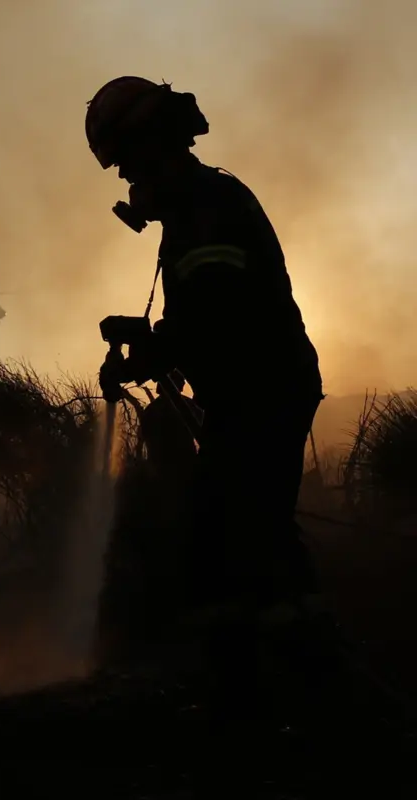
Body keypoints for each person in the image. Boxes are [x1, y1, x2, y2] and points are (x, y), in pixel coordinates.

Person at [84, 77, 333, 737]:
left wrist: (147, 356)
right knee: (255, 532)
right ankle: (297, 687)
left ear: (152, 148)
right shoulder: (196, 207)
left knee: (226, 539)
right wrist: (147, 344)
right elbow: (204, 313)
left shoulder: (205, 209)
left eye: (129, 166)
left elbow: (218, 315)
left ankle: (260, 703)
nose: (129, 184)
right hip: (253, 391)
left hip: (264, 392)